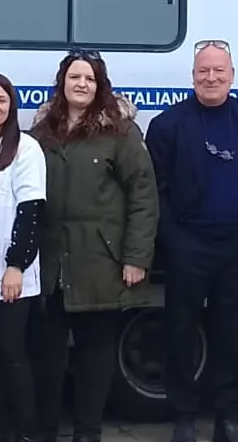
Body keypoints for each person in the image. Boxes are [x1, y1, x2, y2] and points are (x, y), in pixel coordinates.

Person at [29, 50, 160, 442]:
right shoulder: (42, 132)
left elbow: (143, 196)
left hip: (101, 261)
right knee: (47, 358)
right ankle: (44, 432)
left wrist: (136, 258)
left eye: (89, 78)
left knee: (95, 357)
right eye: (75, 77)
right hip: (50, 264)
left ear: (100, 85)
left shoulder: (120, 132)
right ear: (62, 83)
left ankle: (88, 433)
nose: (81, 84)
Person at [146, 39, 238, 442]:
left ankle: (227, 420)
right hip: (188, 246)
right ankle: (183, 417)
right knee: (180, 334)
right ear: (193, 76)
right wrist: (173, 242)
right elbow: (155, 191)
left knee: (231, 337)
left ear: (232, 76)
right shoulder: (167, 125)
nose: (211, 78)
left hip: (235, 246)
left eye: (219, 71)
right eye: (203, 71)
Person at [0, 73, 47, 442]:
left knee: (11, 351)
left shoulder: (26, 148)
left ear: (11, 106)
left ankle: (27, 431)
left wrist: (17, 264)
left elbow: (31, 210)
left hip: (11, 271)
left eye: (1, 100)